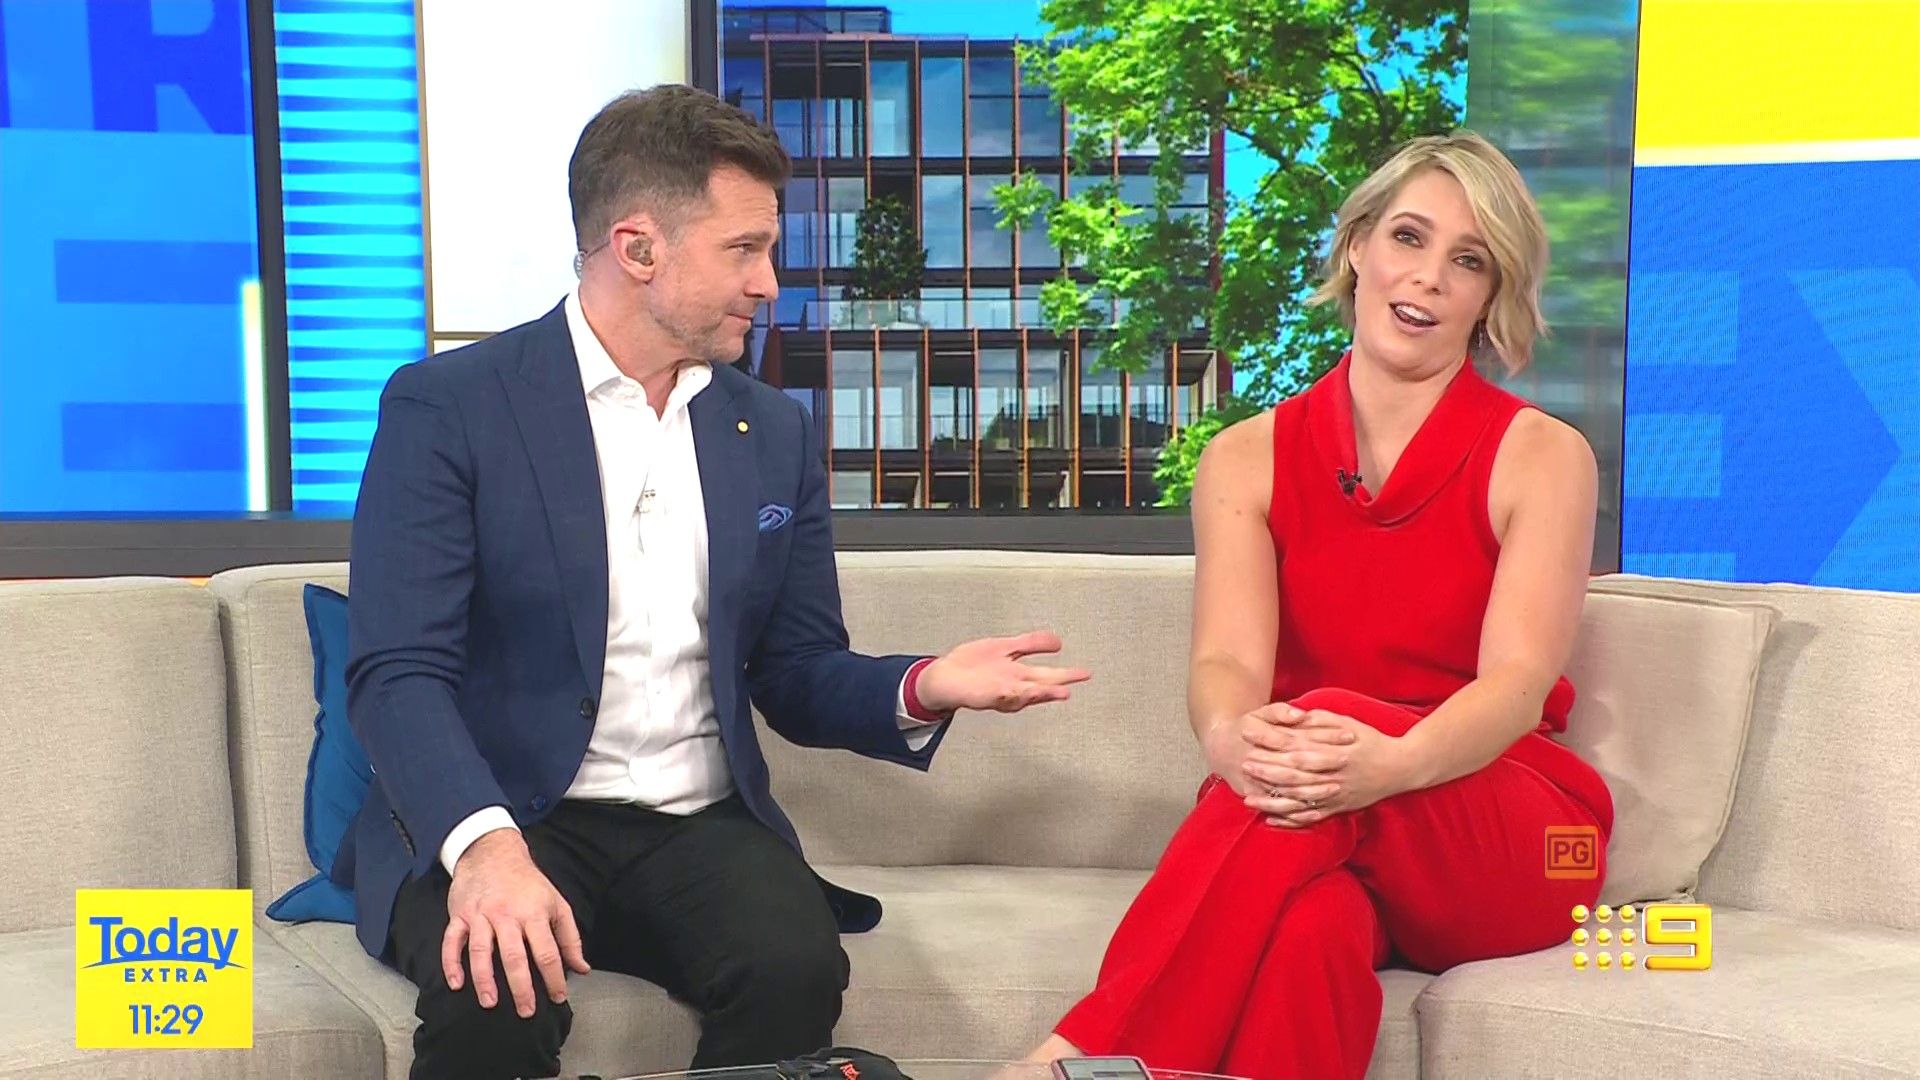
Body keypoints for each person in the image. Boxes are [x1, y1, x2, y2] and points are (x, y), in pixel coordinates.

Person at [342, 84, 1090, 1080]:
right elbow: (398, 673)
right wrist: (484, 852)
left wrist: (922, 686)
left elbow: (796, 669)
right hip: (512, 811)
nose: (769, 283)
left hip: (697, 827)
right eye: (745, 250)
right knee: (495, 992)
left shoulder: (770, 431)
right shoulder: (452, 407)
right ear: (638, 248)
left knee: (793, 970)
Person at [1023, 132, 1614, 1080]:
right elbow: (1227, 664)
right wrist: (1228, 740)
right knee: (1309, 929)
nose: (1428, 277)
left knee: (1325, 723)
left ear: (1490, 296)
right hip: (1318, 812)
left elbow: (1517, 682)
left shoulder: (1543, 455)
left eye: (1468, 261)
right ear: (1357, 247)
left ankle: (1081, 1056)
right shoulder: (1245, 458)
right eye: (1409, 237)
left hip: (1521, 835)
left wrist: (1393, 763)